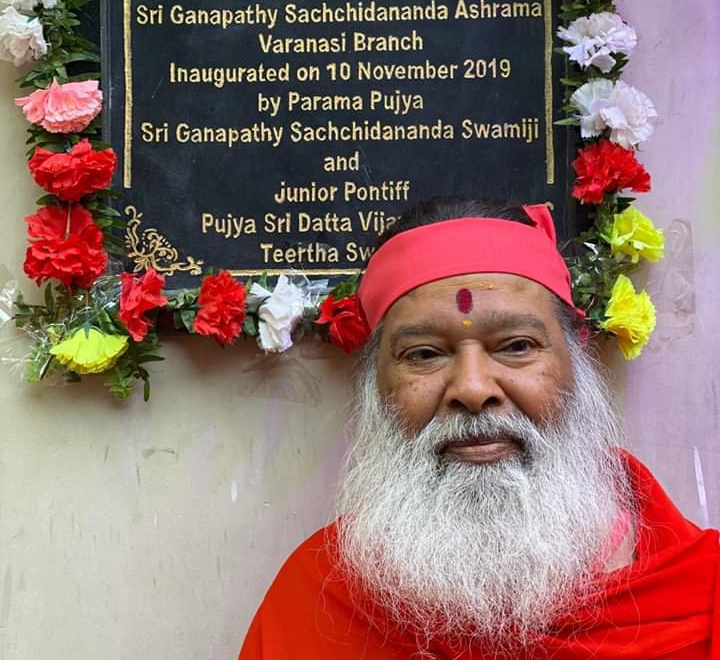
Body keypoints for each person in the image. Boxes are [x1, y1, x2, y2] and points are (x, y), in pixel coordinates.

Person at [237, 197, 719, 659]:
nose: (471, 388)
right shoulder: (318, 598)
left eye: (516, 346)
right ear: (375, 385)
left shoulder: (702, 589)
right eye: (424, 354)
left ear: (578, 363)